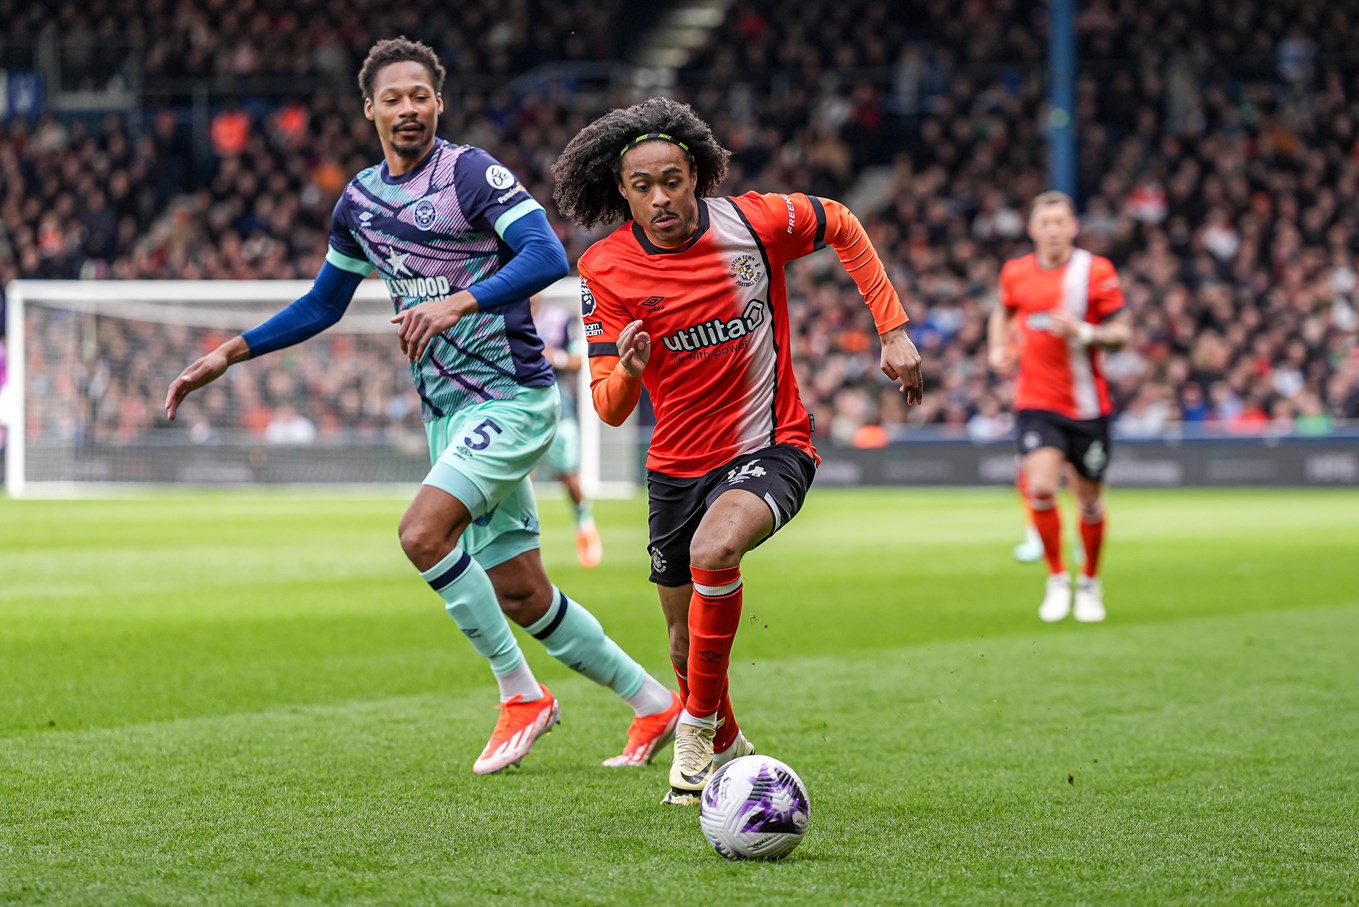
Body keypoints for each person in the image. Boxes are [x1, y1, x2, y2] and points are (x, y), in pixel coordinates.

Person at [165, 37, 681, 774]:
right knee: (522, 591)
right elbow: (323, 302)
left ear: (438, 102)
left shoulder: (468, 173)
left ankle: (522, 696)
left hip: (511, 397)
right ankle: (650, 701)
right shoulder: (360, 202)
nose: (408, 108)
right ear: (368, 108)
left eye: (420, 95)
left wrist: (457, 302)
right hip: (448, 412)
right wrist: (229, 351)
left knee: (421, 534)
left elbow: (545, 254)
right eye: (393, 97)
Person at [551, 97, 924, 804]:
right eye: (642, 186)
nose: (660, 197)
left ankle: (691, 728)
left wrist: (892, 327)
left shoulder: (753, 224)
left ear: (695, 174)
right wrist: (628, 367)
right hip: (674, 467)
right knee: (682, 646)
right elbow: (608, 407)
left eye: (672, 179)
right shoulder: (604, 269)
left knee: (715, 551)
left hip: (771, 441)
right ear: (620, 192)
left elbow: (841, 221)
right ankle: (725, 740)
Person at [987, 190, 1131, 623]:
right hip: (1036, 402)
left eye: (1060, 222)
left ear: (1073, 227)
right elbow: (1004, 311)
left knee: (1089, 501)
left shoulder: (1096, 271)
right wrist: (998, 349)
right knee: (1043, 487)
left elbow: (1122, 332)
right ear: (1032, 229)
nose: (1053, 229)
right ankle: (1056, 578)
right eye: (1044, 222)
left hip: (1088, 406)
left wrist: (1086, 333)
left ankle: (1089, 582)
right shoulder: (1015, 273)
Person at [531, 296, 604, 568]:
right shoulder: (506, 316)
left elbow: (577, 361)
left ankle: (585, 524)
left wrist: (554, 357)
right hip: (521, 412)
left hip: (559, 412)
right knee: (521, 477)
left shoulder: (559, 320)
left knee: (568, 477)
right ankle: (523, 538)